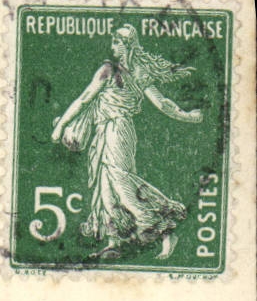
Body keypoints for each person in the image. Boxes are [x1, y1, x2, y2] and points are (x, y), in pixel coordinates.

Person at [51, 24, 203, 260]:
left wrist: (61, 126)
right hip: (108, 131)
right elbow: (162, 103)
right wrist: (187, 115)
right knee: (106, 188)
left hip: (117, 130)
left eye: (116, 42)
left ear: (126, 45)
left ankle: (165, 229)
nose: (112, 47)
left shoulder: (112, 70)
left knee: (121, 182)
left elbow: (84, 99)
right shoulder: (133, 71)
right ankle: (114, 242)